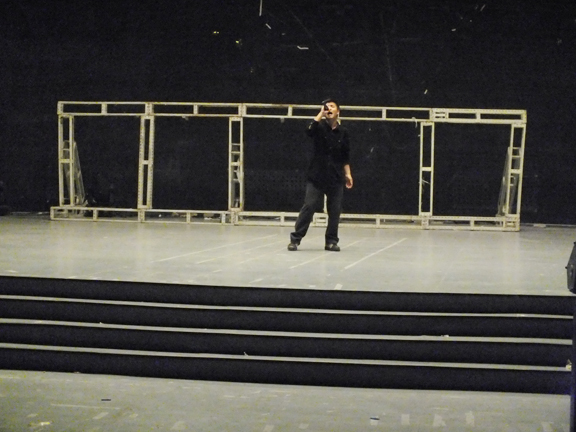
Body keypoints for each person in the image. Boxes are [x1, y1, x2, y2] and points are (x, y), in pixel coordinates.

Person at [288, 99, 353, 252]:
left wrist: (348, 174)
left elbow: (345, 156)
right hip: (317, 175)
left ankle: (331, 241)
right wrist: (320, 115)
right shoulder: (319, 127)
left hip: (335, 177)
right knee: (309, 206)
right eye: (326, 107)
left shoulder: (343, 132)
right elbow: (309, 130)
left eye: (332, 107)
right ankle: (295, 239)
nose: (329, 109)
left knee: (335, 210)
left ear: (338, 111)